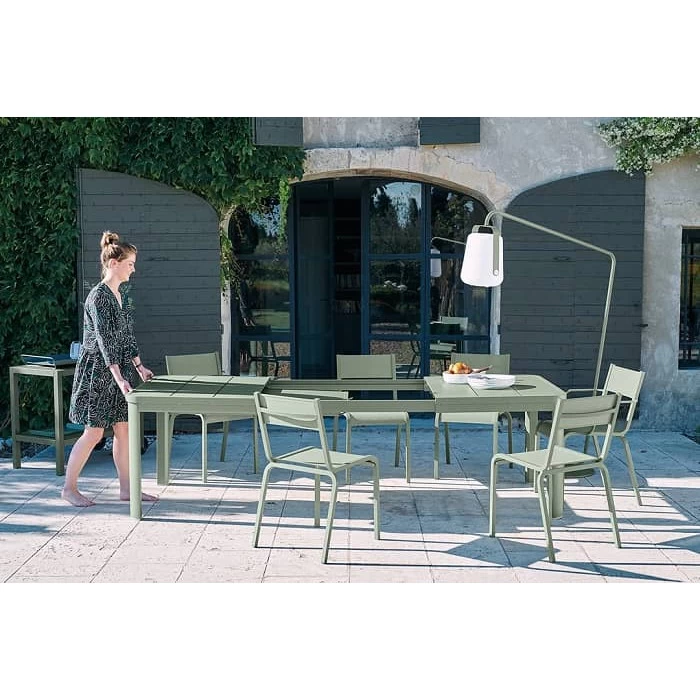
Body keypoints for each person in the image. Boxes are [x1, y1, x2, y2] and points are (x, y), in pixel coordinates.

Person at [62, 231, 158, 507]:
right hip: (98, 372)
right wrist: (118, 377)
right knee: (93, 433)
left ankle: (127, 489)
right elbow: (104, 340)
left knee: (124, 429)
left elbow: (125, 335)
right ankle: (69, 489)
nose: (133, 269)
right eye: (130, 264)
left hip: (117, 371)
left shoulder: (119, 294)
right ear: (114, 263)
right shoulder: (99, 297)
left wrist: (139, 366)